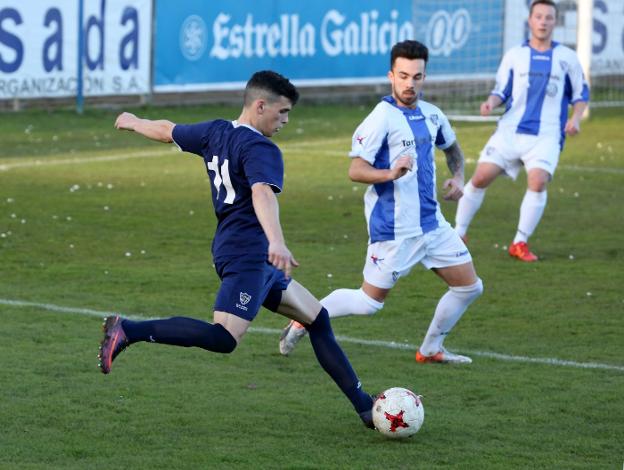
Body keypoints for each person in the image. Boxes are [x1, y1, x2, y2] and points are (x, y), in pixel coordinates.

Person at [98, 70, 375, 428]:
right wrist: (276, 240)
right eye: (283, 112)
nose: (286, 121)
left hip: (244, 252)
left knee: (317, 318)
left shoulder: (215, 131)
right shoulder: (261, 148)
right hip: (249, 255)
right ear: (261, 106)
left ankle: (365, 408)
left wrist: (134, 121)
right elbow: (262, 192)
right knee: (224, 338)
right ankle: (128, 330)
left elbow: (168, 130)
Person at [279, 40, 483, 364]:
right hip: (394, 229)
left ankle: (430, 350)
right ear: (391, 75)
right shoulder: (380, 118)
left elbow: (453, 150)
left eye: (417, 77)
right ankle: (304, 316)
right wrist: (390, 173)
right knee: (368, 304)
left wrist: (458, 178)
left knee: (470, 288)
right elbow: (355, 170)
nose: (409, 84)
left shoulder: (433, 114)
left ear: (424, 77)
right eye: (403, 76)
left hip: (433, 225)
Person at [454, 0, 590, 262]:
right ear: (530, 20)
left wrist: (576, 118)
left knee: (538, 181)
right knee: (480, 177)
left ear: (555, 22)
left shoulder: (567, 58)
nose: (543, 22)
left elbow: (580, 94)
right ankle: (458, 234)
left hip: (546, 135)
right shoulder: (515, 55)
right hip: (510, 132)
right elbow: (500, 92)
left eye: (548, 17)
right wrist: (489, 103)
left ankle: (519, 242)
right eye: (538, 16)